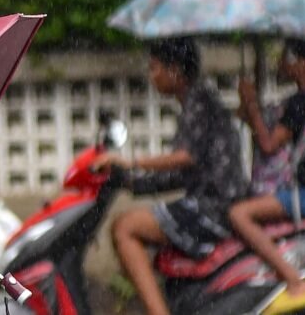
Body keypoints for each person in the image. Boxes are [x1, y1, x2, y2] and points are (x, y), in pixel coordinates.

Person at [96, 37, 248, 315]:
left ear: (175, 70)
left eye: (155, 68)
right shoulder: (197, 100)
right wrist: (133, 182)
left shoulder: (199, 101)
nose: (151, 76)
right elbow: (186, 171)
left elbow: (185, 157)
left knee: (124, 227)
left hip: (213, 207)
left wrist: (129, 161)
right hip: (211, 200)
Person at [229, 39, 305, 313]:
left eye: (286, 58)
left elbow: (268, 144)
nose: (280, 63)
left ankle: (294, 282)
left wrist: (252, 105)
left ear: (303, 63)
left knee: (239, 215)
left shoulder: (301, 102)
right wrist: (249, 106)